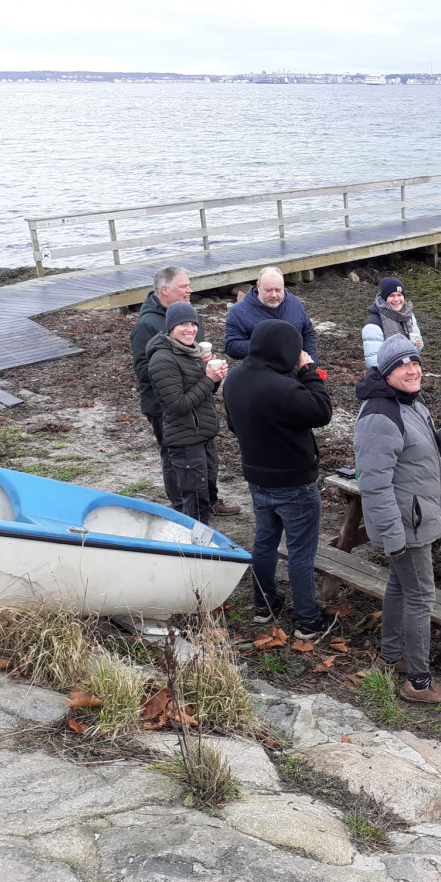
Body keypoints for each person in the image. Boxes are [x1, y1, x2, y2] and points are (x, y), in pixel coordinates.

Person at [354, 334, 441, 703]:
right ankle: (418, 682)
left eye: (415, 362)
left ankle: (391, 657)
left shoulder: (409, 402)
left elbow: (416, 452)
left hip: (413, 516)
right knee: (420, 596)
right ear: (387, 372)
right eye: (403, 365)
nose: (413, 370)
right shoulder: (379, 416)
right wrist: (393, 537)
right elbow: (373, 485)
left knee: (400, 587)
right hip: (406, 524)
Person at [224, 320, 337, 638]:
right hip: (295, 484)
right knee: (300, 552)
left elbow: (233, 426)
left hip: (258, 478)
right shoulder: (284, 388)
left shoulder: (234, 380)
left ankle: (264, 606)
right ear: (285, 350)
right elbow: (322, 411)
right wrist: (309, 370)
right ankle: (308, 622)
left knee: (265, 543)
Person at [130, 265, 240, 516]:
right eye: (184, 286)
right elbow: (145, 372)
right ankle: (182, 508)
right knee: (174, 458)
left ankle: (209, 502)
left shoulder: (189, 317)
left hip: (196, 397)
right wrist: (190, 369)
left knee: (205, 457)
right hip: (163, 406)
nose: (190, 290)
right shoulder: (147, 325)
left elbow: (192, 355)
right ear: (165, 290)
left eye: (189, 285)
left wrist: (204, 366)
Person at [145, 302, 226, 525]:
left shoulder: (191, 352)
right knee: (195, 502)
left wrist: (214, 378)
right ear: (171, 327)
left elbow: (202, 394)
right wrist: (208, 379)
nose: (190, 329)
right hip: (185, 440)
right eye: (183, 324)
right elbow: (178, 405)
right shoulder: (162, 359)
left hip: (202, 435)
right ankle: (196, 543)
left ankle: (203, 537)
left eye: (193, 324)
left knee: (205, 493)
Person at [224, 266, 318, 362]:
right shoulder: (239, 311)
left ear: (283, 286)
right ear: (258, 287)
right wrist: (264, 345)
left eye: (278, 290)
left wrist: (312, 362)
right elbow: (231, 346)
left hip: (295, 367)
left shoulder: (294, 303)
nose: (274, 295)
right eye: (268, 290)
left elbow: (308, 333)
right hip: (261, 369)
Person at [362, 277, 423, 368]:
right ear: (384, 298)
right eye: (391, 295)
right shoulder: (373, 325)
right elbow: (373, 364)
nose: (396, 299)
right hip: (388, 373)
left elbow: (418, 347)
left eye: (399, 295)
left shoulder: (408, 315)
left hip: (409, 370)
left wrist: (418, 345)